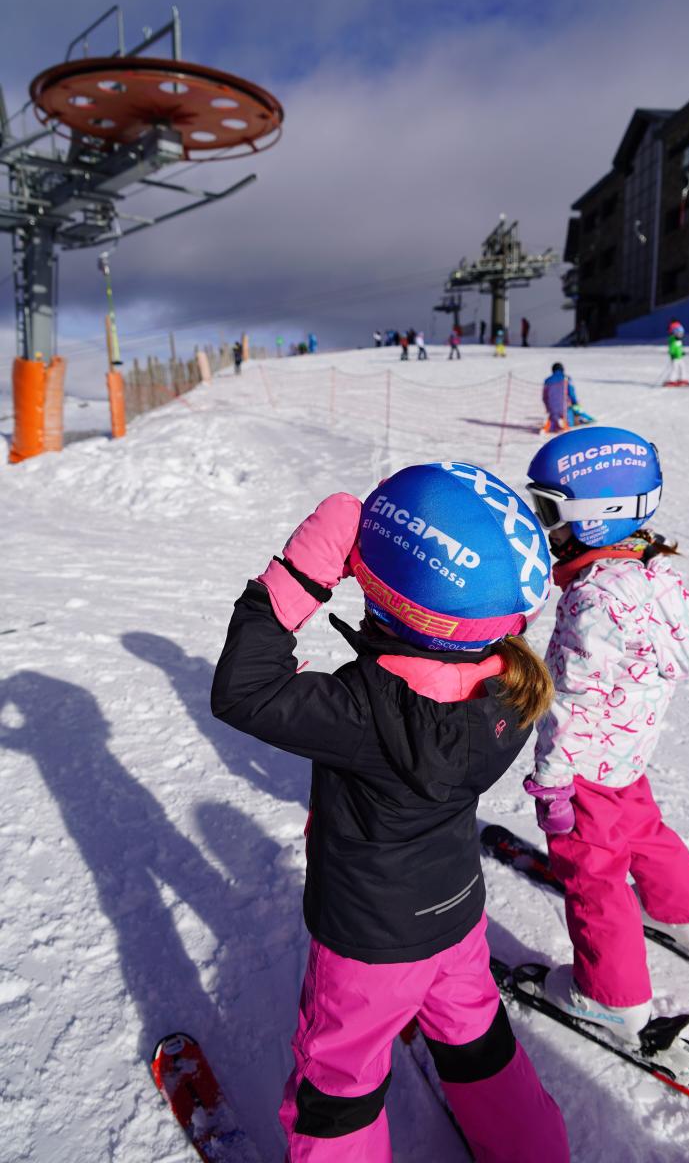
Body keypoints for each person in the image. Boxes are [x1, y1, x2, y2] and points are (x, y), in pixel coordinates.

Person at [211, 463, 570, 1162]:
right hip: (457, 913)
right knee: (476, 1038)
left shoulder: (363, 712)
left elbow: (244, 690)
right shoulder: (514, 686)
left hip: (368, 942)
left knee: (338, 1079)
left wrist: (302, 572)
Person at [523, 427, 689, 1068]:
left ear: (593, 518)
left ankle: (612, 998)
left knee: (593, 873)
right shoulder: (658, 578)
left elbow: (568, 702)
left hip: (585, 769)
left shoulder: (592, 603)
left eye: (549, 510)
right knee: (644, 832)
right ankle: (684, 917)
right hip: (628, 756)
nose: (544, 526)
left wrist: (551, 782)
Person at [663, 321, 689, 387]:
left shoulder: (679, 340)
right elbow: (672, 348)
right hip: (675, 357)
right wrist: (672, 354)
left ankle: (682, 379)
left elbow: (679, 348)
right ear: (676, 333)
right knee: (675, 369)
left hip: (679, 357)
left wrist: (682, 352)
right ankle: (671, 380)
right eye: (679, 334)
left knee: (682, 367)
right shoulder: (673, 340)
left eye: (682, 334)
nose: (681, 335)